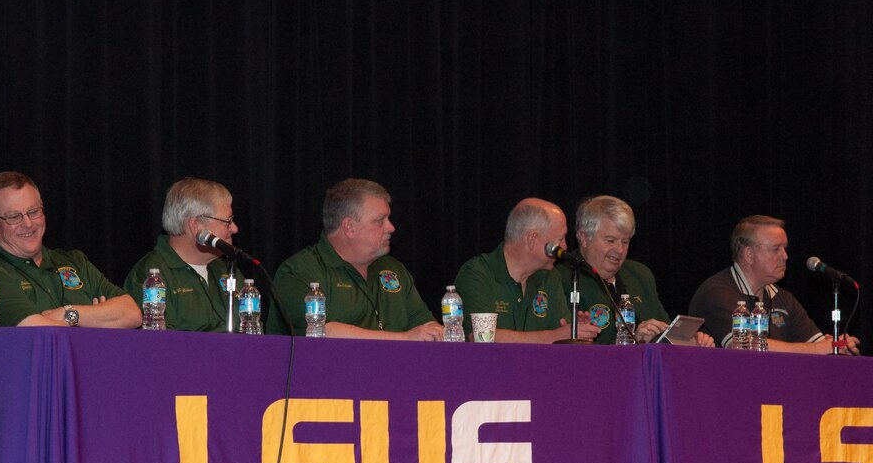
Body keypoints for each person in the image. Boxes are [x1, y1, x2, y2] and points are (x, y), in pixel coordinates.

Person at [268, 178, 442, 340]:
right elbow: (322, 331)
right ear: (349, 227)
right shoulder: (299, 272)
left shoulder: (394, 269)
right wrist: (404, 338)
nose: (391, 227)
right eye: (380, 220)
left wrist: (437, 332)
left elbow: (424, 324)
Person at [0, 172, 140, 328]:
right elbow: (38, 331)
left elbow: (133, 313)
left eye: (34, 212)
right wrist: (96, 318)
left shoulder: (75, 262)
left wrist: (69, 314)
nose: (28, 224)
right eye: (14, 217)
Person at [555, 195, 714, 346]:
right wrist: (633, 341)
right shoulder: (561, 277)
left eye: (625, 241)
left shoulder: (639, 274)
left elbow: (664, 333)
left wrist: (689, 340)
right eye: (611, 240)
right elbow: (569, 348)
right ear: (583, 238)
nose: (619, 250)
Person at [688, 215, 859, 354]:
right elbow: (745, 346)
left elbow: (819, 344)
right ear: (749, 254)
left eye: (785, 248)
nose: (785, 256)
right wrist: (823, 348)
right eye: (775, 249)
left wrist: (839, 346)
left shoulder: (783, 297)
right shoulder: (716, 292)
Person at [454, 198, 600, 343]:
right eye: (560, 239)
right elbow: (481, 337)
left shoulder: (550, 277)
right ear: (532, 239)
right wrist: (556, 336)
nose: (565, 247)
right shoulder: (477, 274)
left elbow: (561, 335)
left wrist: (575, 331)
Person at [123, 178, 244, 331]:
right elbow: (161, 344)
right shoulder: (151, 275)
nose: (234, 228)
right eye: (227, 221)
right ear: (196, 225)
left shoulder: (228, 270)